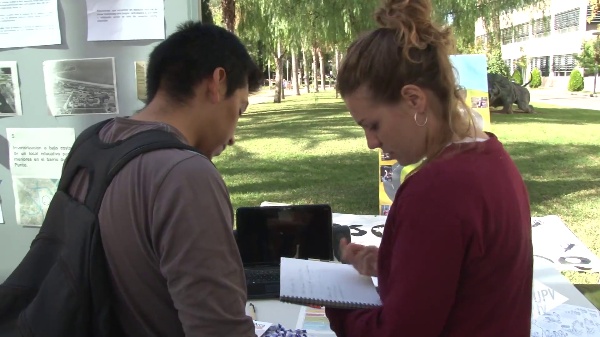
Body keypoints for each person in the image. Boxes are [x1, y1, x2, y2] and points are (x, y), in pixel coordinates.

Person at [324, 0, 533, 336]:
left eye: (373, 124)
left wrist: (335, 300)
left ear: (414, 100)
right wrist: (392, 263)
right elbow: (464, 277)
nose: (371, 143)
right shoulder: (492, 157)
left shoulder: (436, 191)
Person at [67, 21, 262, 336]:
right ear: (218, 83)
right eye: (238, 111)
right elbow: (220, 329)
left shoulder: (92, 142)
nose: (232, 138)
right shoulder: (185, 174)